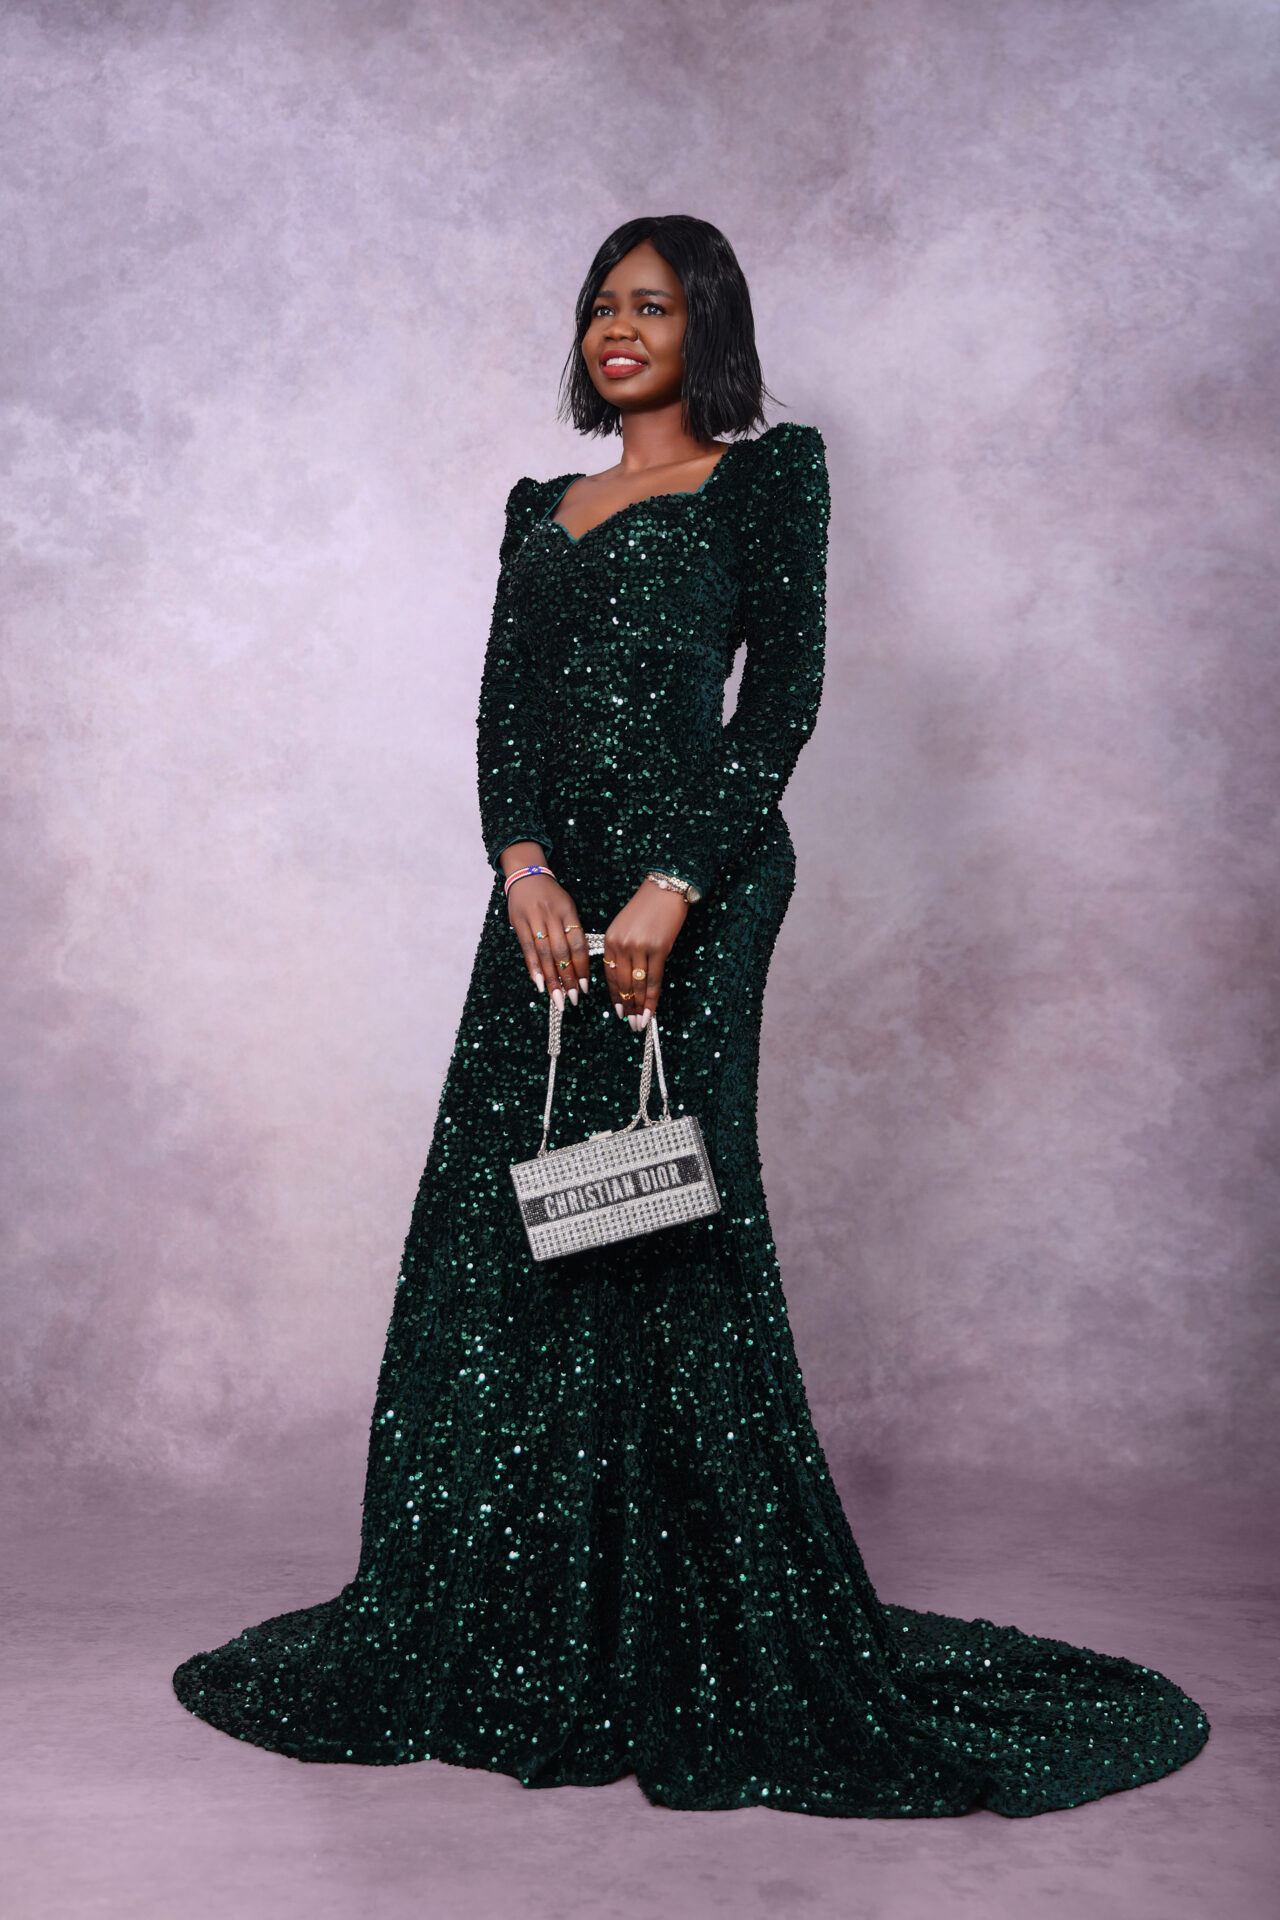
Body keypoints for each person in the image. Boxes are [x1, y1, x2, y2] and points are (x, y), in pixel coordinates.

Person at [173, 214, 1209, 1815]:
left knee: (662, 1217)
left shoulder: (769, 476)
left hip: (699, 890)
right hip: (544, 904)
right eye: (599, 303)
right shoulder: (542, 507)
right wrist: (519, 864)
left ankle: (701, 1629)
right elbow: (503, 711)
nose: (617, 326)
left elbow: (781, 696)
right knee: (503, 1227)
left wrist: (672, 884)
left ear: (706, 325)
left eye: (651, 304)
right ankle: (527, 1619)